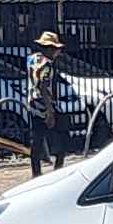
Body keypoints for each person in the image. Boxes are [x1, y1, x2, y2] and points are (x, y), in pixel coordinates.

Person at [17, 30, 74, 173]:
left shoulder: (32, 59)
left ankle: (36, 172)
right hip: (44, 103)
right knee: (63, 136)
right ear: (50, 49)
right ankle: (58, 168)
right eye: (56, 49)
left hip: (32, 102)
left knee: (37, 138)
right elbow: (43, 87)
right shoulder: (47, 65)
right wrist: (50, 111)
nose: (58, 52)